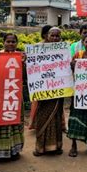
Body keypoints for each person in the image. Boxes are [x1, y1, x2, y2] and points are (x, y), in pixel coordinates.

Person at [0, 33, 25, 160]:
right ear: (3, 42)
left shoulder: (21, 57)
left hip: (14, 94)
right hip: (0, 94)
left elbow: (25, 76)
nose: (10, 44)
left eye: (13, 41)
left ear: (17, 43)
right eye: (8, 41)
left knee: (15, 120)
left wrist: (24, 63)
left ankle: (14, 150)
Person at [33, 27, 65, 156]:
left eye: (58, 36)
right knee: (42, 116)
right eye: (53, 35)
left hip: (58, 88)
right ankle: (40, 147)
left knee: (56, 116)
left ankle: (56, 146)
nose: (55, 38)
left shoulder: (63, 50)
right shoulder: (37, 48)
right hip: (43, 88)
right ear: (47, 36)